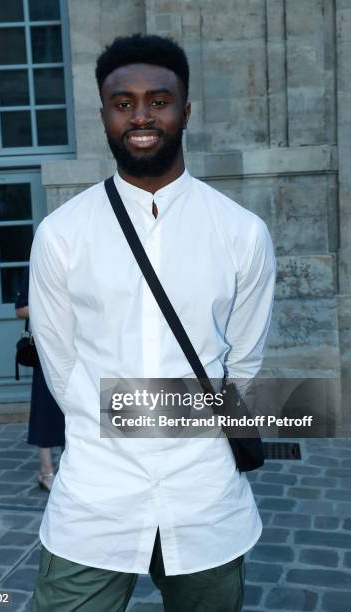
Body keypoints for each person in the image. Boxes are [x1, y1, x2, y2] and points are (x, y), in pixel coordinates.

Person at [29, 34, 276, 611]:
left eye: (159, 100)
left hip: (204, 493)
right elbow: (61, 366)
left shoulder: (241, 233)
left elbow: (241, 365)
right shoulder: (61, 235)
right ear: (104, 116)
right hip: (96, 494)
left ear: (185, 111)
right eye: (124, 103)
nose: (141, 115)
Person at [15, 267, 65, 492]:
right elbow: (20, 310)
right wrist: (50, 306)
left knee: (71, 409)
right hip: (45, 351)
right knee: (44, 409)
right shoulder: (33, 270)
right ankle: (46, 471)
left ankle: (69, 467)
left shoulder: (72, 268)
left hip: (71, 346)